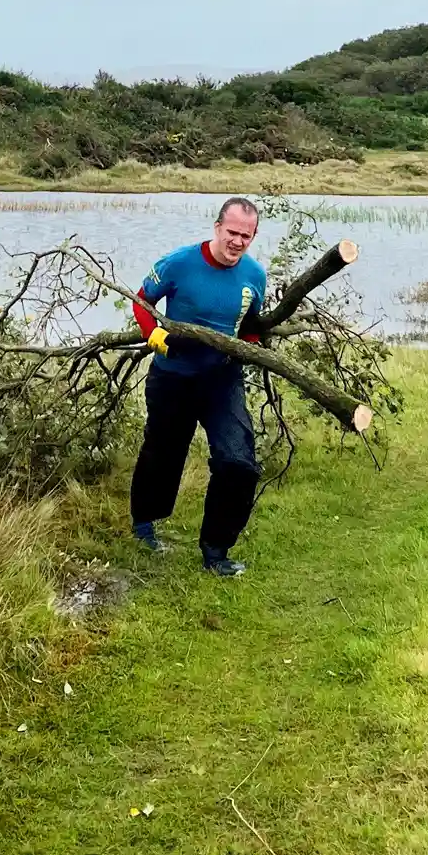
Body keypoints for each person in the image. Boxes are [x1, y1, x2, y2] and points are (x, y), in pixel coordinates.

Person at [129, 196, 267, 577]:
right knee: (164, 452)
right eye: (233, 232)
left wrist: (250, 348)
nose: (238, 241)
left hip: (221, 379)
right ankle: (145, 525)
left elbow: (252, 326)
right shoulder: (181, 262)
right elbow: (143, 301)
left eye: (246, 236)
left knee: (238, 462)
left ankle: (216, 551)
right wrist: (154, 335)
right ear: (218, 227)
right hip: (173, 375)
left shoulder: (255, 275)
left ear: (253, 237)